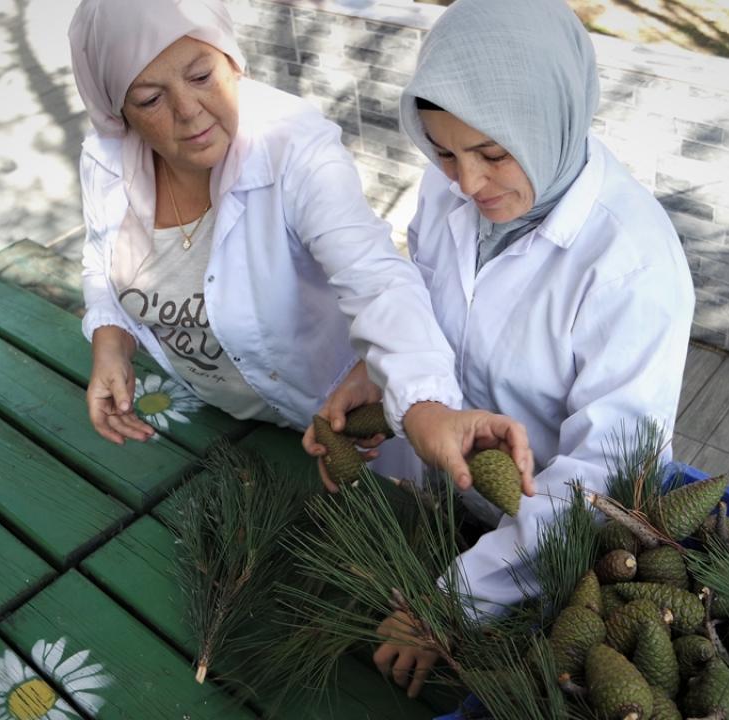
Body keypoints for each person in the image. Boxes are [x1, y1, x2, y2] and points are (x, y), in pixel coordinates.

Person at [323, 0, 695, 698]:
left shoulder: (633, 269)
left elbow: (601, 481)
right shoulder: (449, 194)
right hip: (442, 503)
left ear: (552, 118)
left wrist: (458, 597)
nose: (466, 183)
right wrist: (380, 373)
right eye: (443, 151)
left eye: (493, 153)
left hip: (545, 561)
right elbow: (430, 303)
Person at [67, 0, 534, 490]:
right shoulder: (105, 162)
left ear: (231, 59)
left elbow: (376, 278)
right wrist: (111, 339)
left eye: (201, 75)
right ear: (116, 111)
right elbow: (101, 259)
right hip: (225, 427)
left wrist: (426, 405)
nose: (188, 111)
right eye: (149, 99)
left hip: (344, 430)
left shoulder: (293, 148)